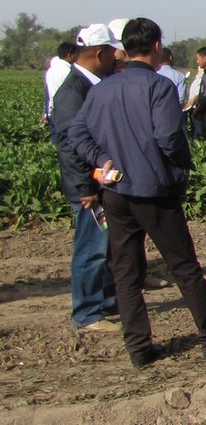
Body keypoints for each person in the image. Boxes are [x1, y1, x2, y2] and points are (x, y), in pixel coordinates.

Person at [66, 18, 206, 368]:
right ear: (157, 46)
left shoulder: (102, 88)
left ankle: (140, 348)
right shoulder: (159, 87)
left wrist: (102, 160)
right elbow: (168, 138)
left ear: (124, 50)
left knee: (126, 272)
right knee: (185, 268)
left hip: (115, 191)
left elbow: (76, 133)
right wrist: (180, 168)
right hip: (154, 191)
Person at [52, 24, 119, 333]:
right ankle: (88, 312)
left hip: (98, 181)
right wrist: (85, 188)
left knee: (103, 244)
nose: (116, 56)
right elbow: (70, 145)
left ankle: (105, 301)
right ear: (99, 53)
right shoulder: (73, 91)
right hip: (88, 186)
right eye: (112, 52)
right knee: (90, 248)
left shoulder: (90, 84)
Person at [41, 41, 78, 143]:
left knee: (58, 144)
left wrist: (46, 113)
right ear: (70, 55)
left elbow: (48, 94)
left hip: (53, 112)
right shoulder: (69, 72)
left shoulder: (51, 70)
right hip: (66, 113)